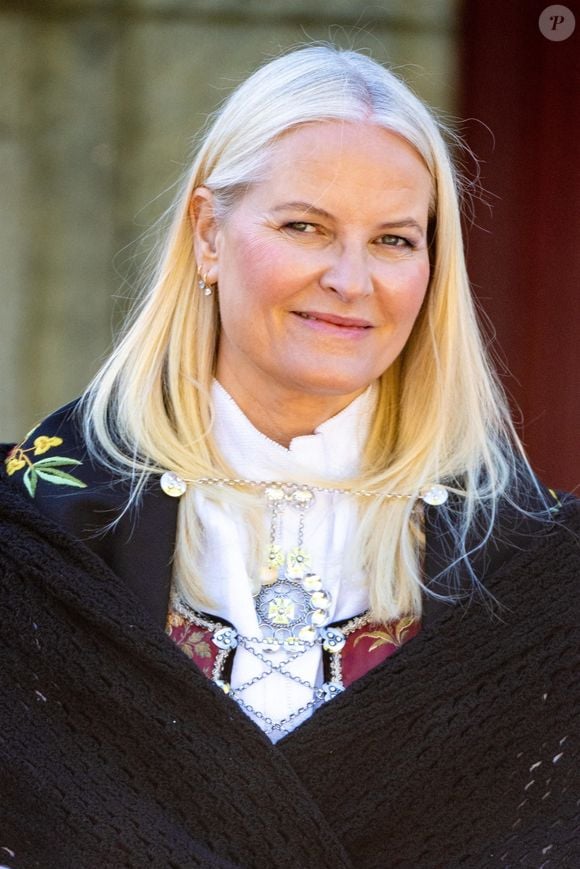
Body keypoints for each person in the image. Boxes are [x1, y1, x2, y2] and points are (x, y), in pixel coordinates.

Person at [0, 44, 578, 869]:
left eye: (392, 239)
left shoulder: (536, 570)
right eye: (304, 226)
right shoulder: (35, 539)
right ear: (208, 233)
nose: (351, 278)